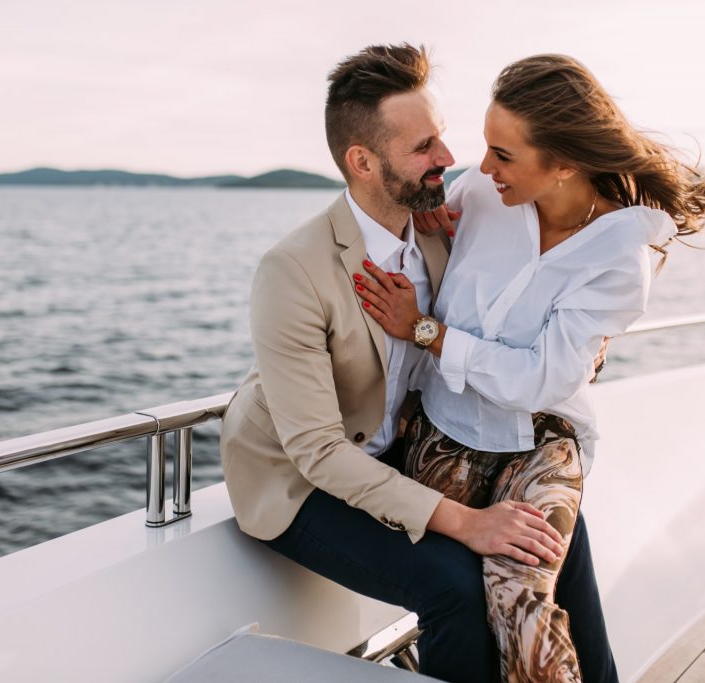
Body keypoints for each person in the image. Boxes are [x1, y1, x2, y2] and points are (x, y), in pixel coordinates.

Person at [220, 45, 619, 683]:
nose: (448, 160)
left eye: (441, 138)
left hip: (399, 451)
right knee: (455, 584)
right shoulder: (293, 270)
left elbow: (530, 297)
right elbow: (318, 452)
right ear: (363, 162)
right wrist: (468, 523)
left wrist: (588, 344)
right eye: (424, 147)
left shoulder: (437, 227)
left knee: (550, 531)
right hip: (300, 482)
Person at [355, 54, 705, 681]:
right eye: (487, 147)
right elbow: (422, 230)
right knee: (470, 598)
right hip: (447, 433)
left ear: (565, 162)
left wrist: (427, 333)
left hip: (542, 440)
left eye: (503, 155)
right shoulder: (481, 194)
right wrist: (429, 222)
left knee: (524, 611)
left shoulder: (620, 258)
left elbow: (542, 380)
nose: (482, 167)